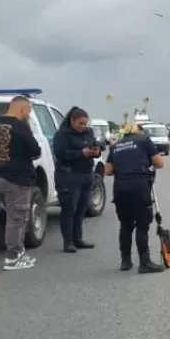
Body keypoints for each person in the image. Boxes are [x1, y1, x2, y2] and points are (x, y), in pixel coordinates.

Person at [0, 95, 41, 270]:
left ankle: (19, 253)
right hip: (17, 178)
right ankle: (13, 257)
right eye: (29, 111)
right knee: (17, 219)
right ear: (22, 109)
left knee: (12, 217)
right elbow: (35, 150)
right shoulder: (20, 126)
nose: (29, 115)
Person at [104, 121, 165, 273]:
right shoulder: (144, 140)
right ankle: (144, 263)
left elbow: (108, 170)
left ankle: (125, 261)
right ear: (138, 131)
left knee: (125, 225)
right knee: (142, 225)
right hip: (139, 187)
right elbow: (159, 162)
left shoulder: (117, 145)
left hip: (120, 189)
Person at [53, 106, 100, 253]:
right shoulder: (63, 134)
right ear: (72, 120)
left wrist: (96, 151)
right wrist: (80, 153)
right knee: (69, 209)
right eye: (80, 123)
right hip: (69, 175)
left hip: (87, 174)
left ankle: (78, 238)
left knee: (82, 207)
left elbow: (95, 145)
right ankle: (68, 241)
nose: (83, 126)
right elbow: (60, 154)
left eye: (85, 123)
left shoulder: (88, 132)